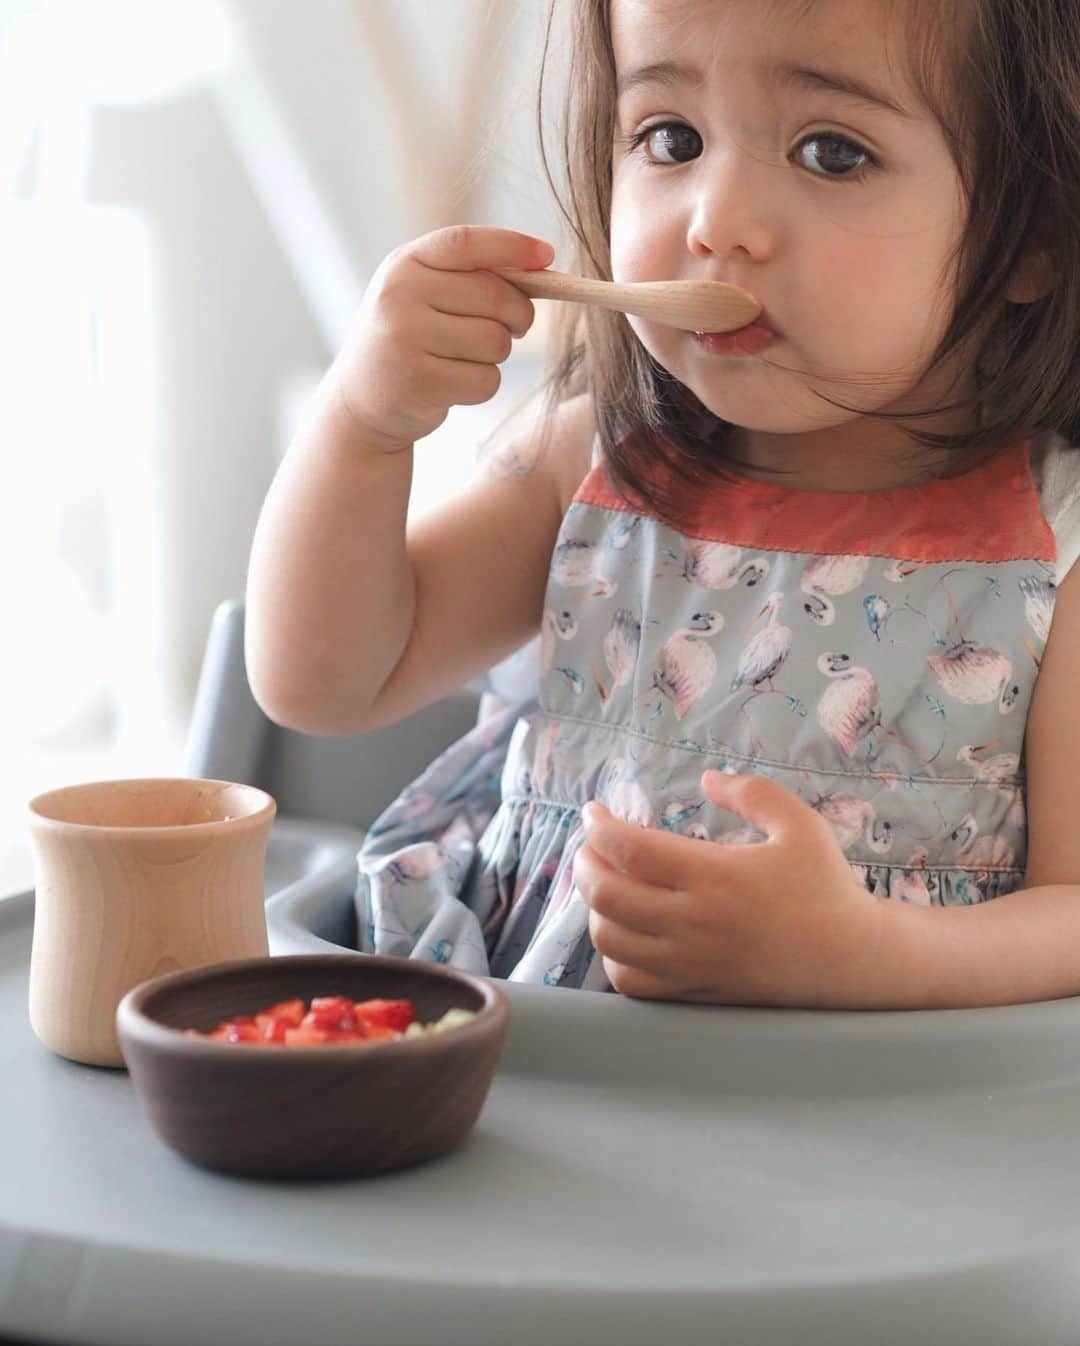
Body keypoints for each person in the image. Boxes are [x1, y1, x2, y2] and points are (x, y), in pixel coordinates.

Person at [245, 0, 1080, 1009]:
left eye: (831, 152)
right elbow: (325, 682)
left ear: (1033, 229)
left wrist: (866, 952)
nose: (714, 220)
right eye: (671, 138)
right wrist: (364, 425)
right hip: (547, 1092)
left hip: (868, 1134)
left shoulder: (1052, 551)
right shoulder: (587, 464)